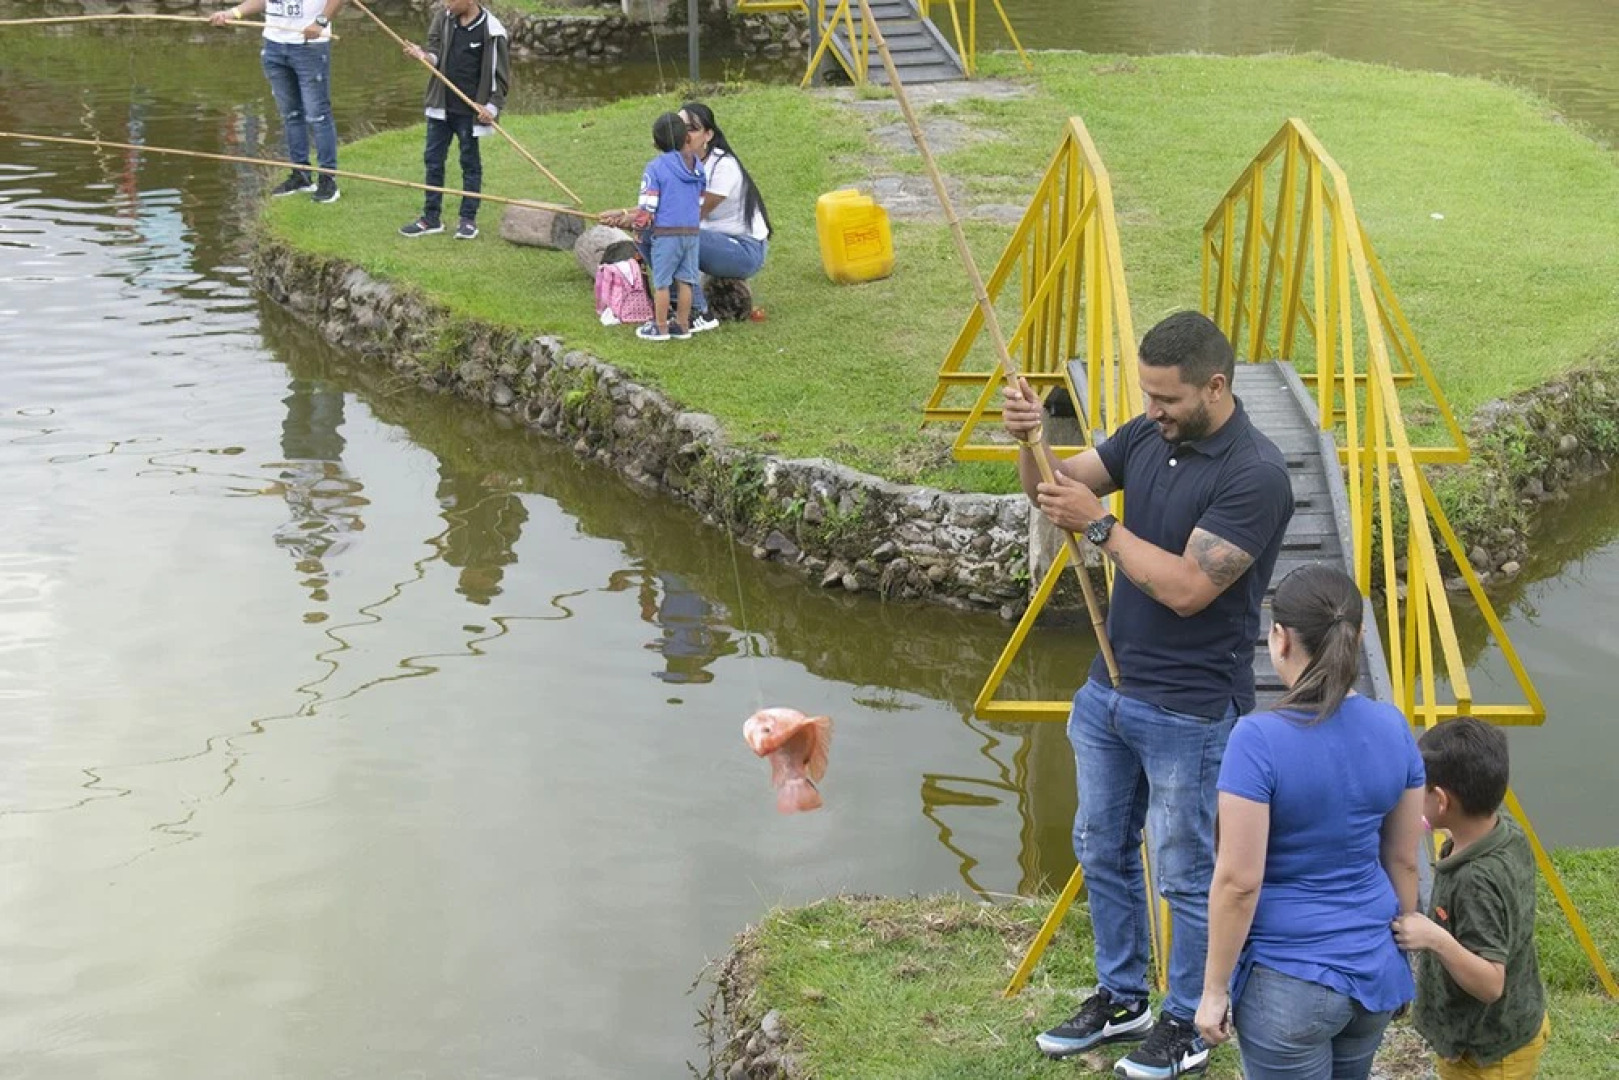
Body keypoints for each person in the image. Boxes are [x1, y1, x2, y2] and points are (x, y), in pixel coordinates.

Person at [1004, 310, 1294, 1079]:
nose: (1152, 410)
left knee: (1185, 870)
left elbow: (1190, 588)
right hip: (1109, 693)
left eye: (1165, 398)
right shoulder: (1146, 434)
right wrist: (1028, 443)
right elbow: (1053, 490)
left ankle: (1188, 1018)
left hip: (1192, 709)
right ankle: (1122, 994)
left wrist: (1100, 527)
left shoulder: (1254, 474)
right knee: (1099, 846)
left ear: (1215, 386)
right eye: (1146, 395)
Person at [1194, 565, 1426, 1079]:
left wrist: (1213, 991)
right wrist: (1401, 958)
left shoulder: (1256, 741)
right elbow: (1404, 860)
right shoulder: (1393, 725)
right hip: (1373, 971)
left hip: (1288, 982)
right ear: (1360, 636)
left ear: (1278, 639)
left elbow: (1237, 883)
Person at [1393, 718, 1549, 1080]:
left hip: (1487, 1056)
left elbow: (1491, 983)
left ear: (1442, 800)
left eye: (1420, 788)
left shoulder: (1476, 880)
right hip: (1514, 1021)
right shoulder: (1505, 832)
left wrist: (1435, 938)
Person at [210, 0, 344, 205]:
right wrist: (233, 13)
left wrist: (320, 23)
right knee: (291, 114)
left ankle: (327, 180)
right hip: (274, 45)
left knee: (318, 115)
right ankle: (301, 175)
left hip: (309, 47)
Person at [398, 0, 509, 241]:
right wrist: (423, 56)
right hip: (441, 105)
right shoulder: (443, 18)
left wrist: (491, 107)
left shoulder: (492, 30)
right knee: (433, 161)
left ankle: (468, 220)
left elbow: (500, 77)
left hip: (470, 110)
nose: (446, 4)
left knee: (469, 163)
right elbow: (435, 54)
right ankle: (431, 218)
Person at [678, 101, 772, 327]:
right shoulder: (680, 163)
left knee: (673, 234)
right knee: (654, 234)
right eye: (679, 128)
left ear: (708, 134)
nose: (684, 135)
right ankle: (671, 302)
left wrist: (638, 218)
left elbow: (692, 214)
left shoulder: (723, 166)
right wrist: (629, 215)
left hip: (745, 251)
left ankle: (699, 310)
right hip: (715, 240)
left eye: (692, 128)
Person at [617, 112, 704, 342]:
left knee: (663, 283)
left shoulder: (654, 168)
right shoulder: (697, 165)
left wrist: (638, 227)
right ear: (686, 137)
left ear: (656, 143)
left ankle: (661, 326)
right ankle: (683, 325)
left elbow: (648, 205)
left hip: (666, 234)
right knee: (686, 280)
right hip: (692, 234)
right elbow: (700, 196)